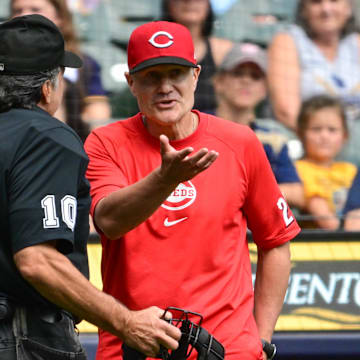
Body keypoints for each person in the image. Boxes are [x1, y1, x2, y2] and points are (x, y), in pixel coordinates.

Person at [85, 20, 301, 360]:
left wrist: (259, 338)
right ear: (130, 83)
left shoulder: (239, 141)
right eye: (151, 76)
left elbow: (276, 242)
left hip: (229, 350)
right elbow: (109, 221)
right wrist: (165, 179)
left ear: (196, 76)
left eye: (177, 73)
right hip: (134, 349)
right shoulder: (105, 143)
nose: (166, 87)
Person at [0, 14, 180, 360]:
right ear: (48, 86)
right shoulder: (44, 137)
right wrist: (125, 322)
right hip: (20, 334)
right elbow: (37, 260)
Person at [213, 42, 305, 209]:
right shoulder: (196, 124)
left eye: (255, 76)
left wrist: (248, 193)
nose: (246, 81)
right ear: (219, 81)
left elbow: (296, 192)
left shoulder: (273, 138)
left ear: (264, 89)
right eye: (238, 74)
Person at [10, 0, 112, 140]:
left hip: (70, 145)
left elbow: (98, 117)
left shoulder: (84, 64)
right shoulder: (5, 62)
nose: (24, 16)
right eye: (18, 10)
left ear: (60, 17)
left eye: (35, 9)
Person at [268, 0, 360, 130]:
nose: (326, 9)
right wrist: (325, 139)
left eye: (334, 1)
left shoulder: (356, 42)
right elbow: (286, 112)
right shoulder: (287, 41)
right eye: (316, 2)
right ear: (304, 10)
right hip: (308, 139)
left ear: (348, 7)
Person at [295, 95, 358, 229]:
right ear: (301, 134)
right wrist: (345, 234)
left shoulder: (350, 170)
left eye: (332, 130)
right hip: (319, 242)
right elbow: (322, 214)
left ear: (344, 136)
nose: (324, 136)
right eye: (316, 129)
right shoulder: (298, 170)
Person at [161, 0, 233, 112]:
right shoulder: (155, 50)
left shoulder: (223, 51)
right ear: (167, 4)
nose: (189, 2)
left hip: (211, 126)